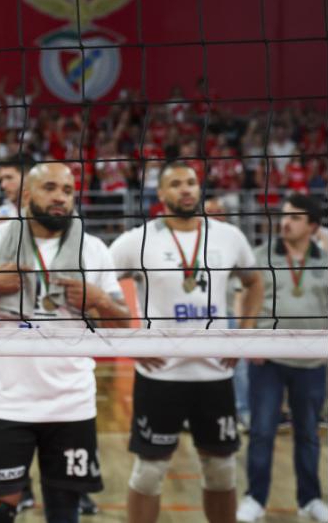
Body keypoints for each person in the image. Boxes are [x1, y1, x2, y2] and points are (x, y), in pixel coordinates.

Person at [0, 163, 132, 523]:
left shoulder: (92, 249)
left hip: (72, 405)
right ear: (27, 195)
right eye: (50, 188)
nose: (61, 197)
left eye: (67, 190)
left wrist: (101, 301)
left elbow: (125, 329)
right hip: (7, 405)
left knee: (65, 513)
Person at [109, 160, 264, 523]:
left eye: (191, 182)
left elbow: (254, 281)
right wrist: (126, 343)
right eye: (176, 183)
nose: (186, 189)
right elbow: (97, 283)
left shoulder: (228, 236)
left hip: (214, 376)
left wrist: (242, 335)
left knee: (222, 470)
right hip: (161, 377)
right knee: (149, 474)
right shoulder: (139, 239)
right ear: (161, 194)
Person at [235, 194, 328, 523]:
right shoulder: (261, 256)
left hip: (314, 363)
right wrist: (248, 342)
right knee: (261, 432)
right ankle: (255, 499)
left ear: (313, 226)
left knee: (308, 434)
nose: (285, 222)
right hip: (268, 361)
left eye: (296, 217)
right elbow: (244, 299)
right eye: (284, 215)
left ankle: (310, 499)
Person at [0, 153, 38, 230]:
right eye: (1, 179)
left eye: (9, 177)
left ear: (29, 177)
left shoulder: (47, 215)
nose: (3, 185)